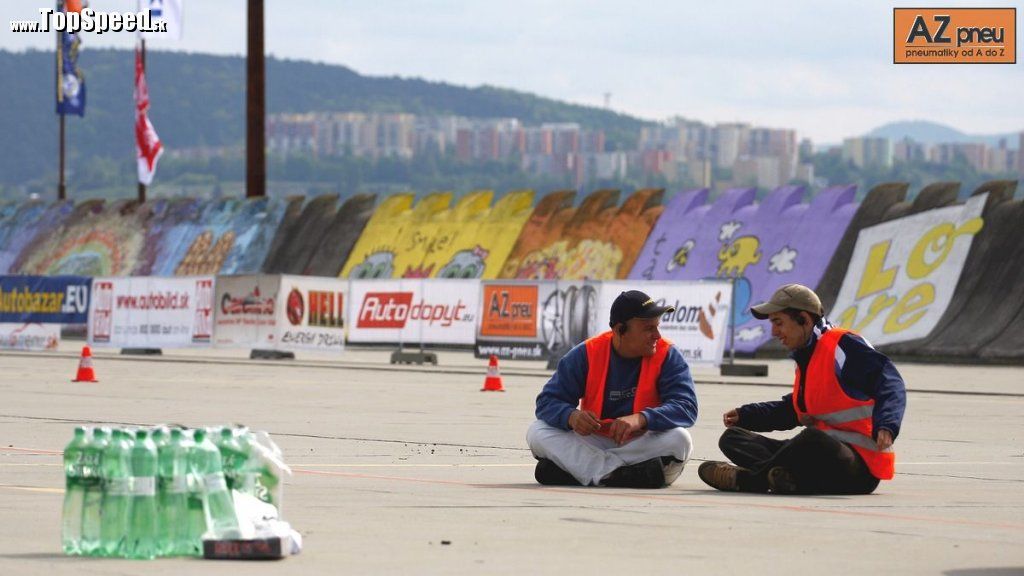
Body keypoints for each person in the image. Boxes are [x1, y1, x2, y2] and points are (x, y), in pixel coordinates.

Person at [698, 283, 906, 495]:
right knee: (733, 439)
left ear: (804, 320)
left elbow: (889, 382)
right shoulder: (807, 357)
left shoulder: (843, 345)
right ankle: (783, 478)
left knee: (812, 438)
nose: (774, 332)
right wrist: (747, 416)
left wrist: (887, 424)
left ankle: (751, 479)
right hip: (817, 459)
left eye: (778, 323)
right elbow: (795, 410)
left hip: (857, 467)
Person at [526, 290, 698, 488]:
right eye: (648, 328)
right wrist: (571, 416)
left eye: (657, 327)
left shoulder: (667, 354)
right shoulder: (587, 353)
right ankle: (620, 474)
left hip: (641, 441)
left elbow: (687, 407)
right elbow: (547, 402)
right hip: (596, 441)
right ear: (619, 330)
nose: (657, 335)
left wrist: (640, 419)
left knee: (680, 439)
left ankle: (584, 471)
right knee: (537, 431)